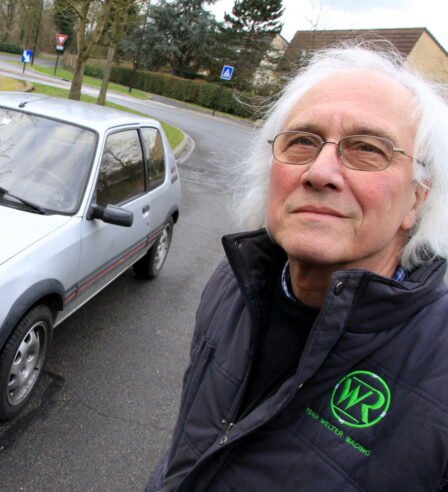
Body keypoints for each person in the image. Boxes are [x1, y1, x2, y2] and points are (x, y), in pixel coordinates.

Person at [148, 44, 448, 491]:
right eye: (303, 141)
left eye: (367, 148)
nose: (320, 171)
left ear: (417, 198)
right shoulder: (234, 281)